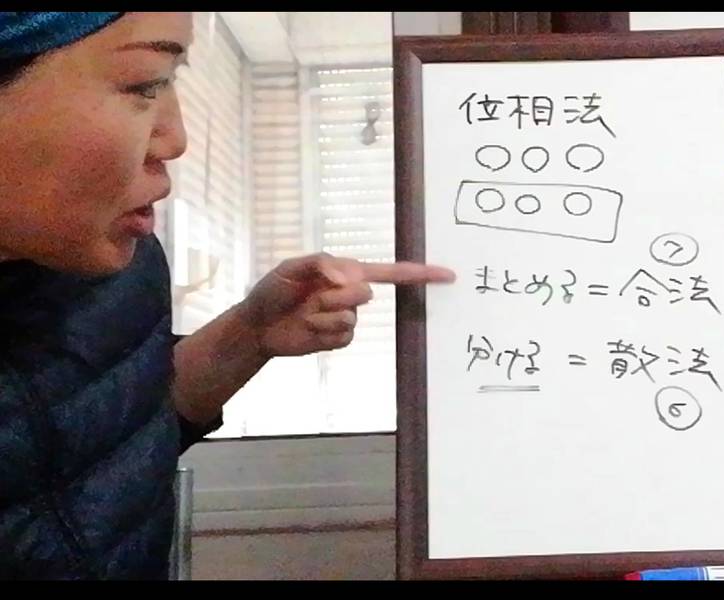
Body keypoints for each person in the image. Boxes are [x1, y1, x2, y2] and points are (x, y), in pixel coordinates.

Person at [0, 12, 455, 580]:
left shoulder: (119, 262)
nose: (176, 139)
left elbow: (117, 428)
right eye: (144, 84)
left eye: (172, 80)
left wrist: (249, 334)